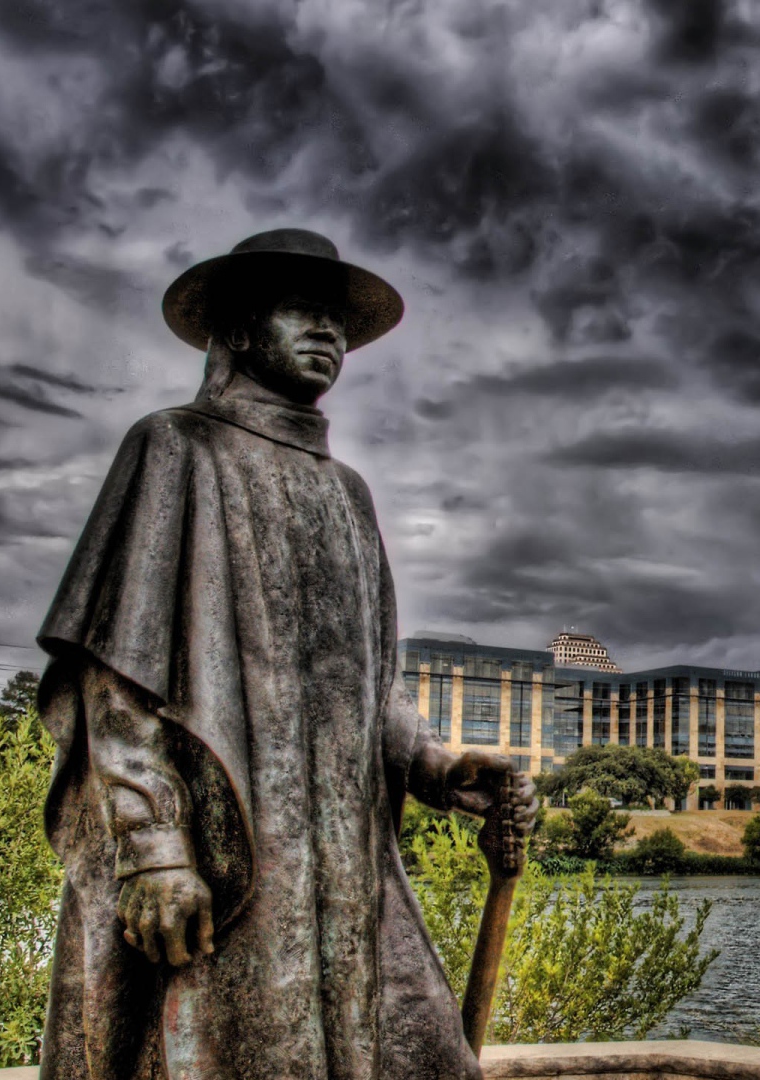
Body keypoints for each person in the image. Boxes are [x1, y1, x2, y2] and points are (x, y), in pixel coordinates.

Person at [35, 228, 533, 1080]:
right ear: (235, 330)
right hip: (232, 861)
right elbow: (113, 680)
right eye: (303, 310)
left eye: (338, 319)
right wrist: (153, 845)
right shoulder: (172, 449)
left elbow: (369, 687)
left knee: (424, 1054)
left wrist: (438, 765)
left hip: (351, 872)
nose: (329, 332)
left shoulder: (347, 494)